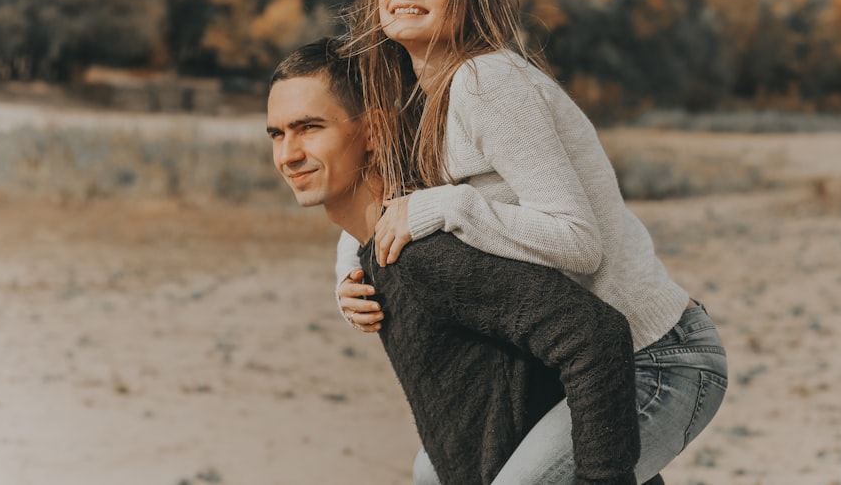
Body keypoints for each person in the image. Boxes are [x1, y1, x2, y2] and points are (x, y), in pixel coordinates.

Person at [336, 0, 728, 484]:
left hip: (653, 358)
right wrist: (347, 272)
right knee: (433, 472)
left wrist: (449, 206)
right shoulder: (418, 100)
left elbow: (578, 240)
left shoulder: (486, 81)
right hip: (560, 370)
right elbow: (378, 204)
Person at [266, 38, 643, 484]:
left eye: (309, 128)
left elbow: (596, 335)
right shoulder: (377, 255)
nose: (287, 155)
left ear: (373, 131)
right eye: (276, 133)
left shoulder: (425, 254)